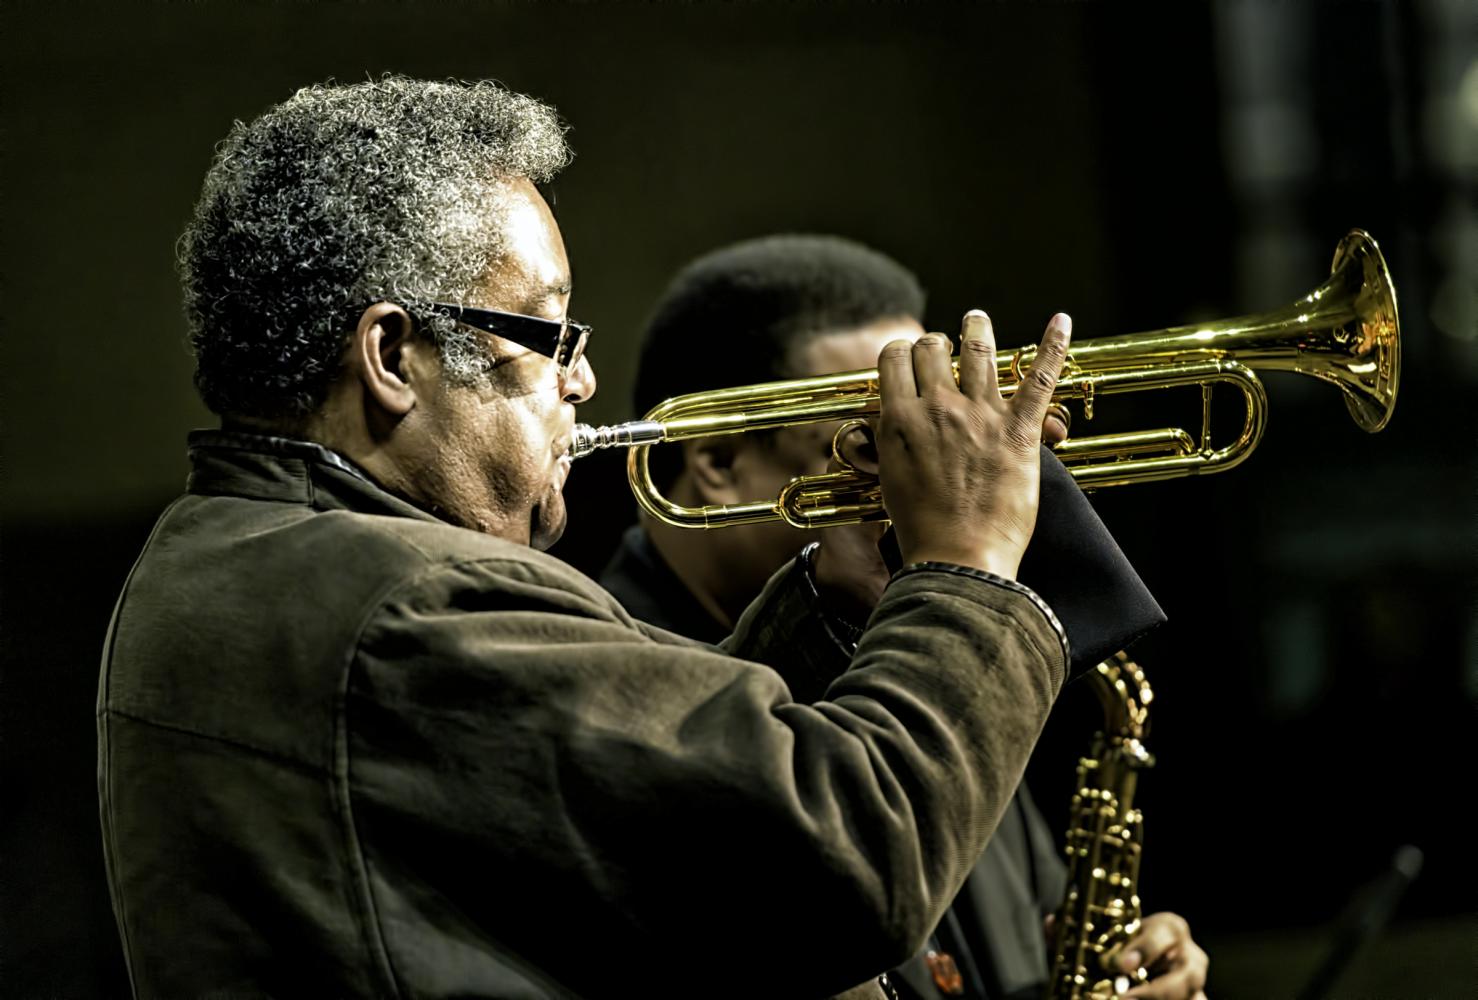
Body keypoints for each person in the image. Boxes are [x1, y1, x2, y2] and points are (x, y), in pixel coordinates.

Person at [97, 77, 1077, 999]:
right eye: (548, 331)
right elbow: (857, 858)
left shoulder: (234, 554)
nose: (582, 381)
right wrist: (967, 560)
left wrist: (830, 593)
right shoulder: (411, 604)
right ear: (393, 356)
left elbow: (658, 805)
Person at [600, 235, 1209, 1000]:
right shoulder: (606, 671)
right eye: (880, 436)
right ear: (720, 462)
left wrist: (1116, 973)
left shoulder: (921, 627)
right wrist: (970, 555)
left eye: (927, 426)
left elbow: (1022, 927)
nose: (942, 464)